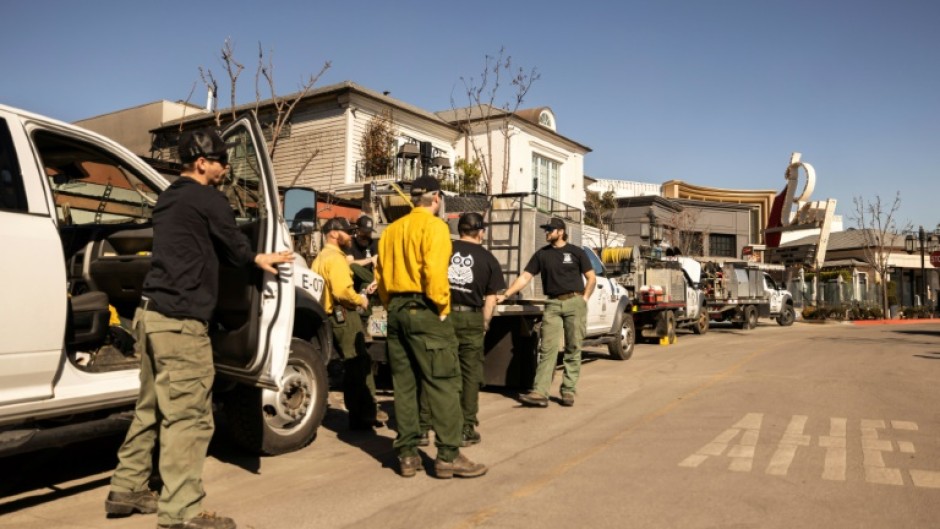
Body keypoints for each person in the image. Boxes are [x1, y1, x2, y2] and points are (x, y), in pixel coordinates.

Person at [105, 128, 294, 529]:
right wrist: (259, 257)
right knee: (188, 417)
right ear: (202, 162)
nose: (227, 167)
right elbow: (233, 246)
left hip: (151, 316)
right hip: (181, 322)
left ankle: (127, 488)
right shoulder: (209, 199)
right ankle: (181, 512)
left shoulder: (169, 197)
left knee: (150, 408)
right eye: (222, 160)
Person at [375, 176, 487, 479]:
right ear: (436, 198)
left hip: (396, 310)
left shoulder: (391, 231)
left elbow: (381, 274)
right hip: (425, 308)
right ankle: (448, 456)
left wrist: (390, 305)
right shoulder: (436, 227)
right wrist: (442, 309)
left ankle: (408, 456)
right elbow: (435, 272)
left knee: (405, 385)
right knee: (444, 382)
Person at [497, 217, 595, 408]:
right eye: (546, 230)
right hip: (552, 304)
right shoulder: (542, 255)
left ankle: (568, 390)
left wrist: (583, 299)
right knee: (547, 350)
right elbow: (525, 277)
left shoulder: (576, 252)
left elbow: (591, 278)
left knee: (573, 348)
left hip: (575, 302)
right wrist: (506, 294)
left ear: (561, 232)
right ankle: (540, 392)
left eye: (550, 230)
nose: (547, 233)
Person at [312, 217, 382, 430]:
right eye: (346, 231)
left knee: (353, 363)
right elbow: (342, 291)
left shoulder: (321, 258)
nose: (350, 235)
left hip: (331, 315)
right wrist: (360, 299)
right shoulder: (335, 259)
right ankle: (363, 415)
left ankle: (360, 414)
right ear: (333, 233)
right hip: (343, 313)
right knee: (357, 363)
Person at [446, 212, 505, 446]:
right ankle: (466, 428)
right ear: (481, 231)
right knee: (470, 375)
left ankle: (424, 424)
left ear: (460, 229)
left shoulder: (443, 249)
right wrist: (484, 323)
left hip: (443, 315)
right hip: (471, 318)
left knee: (437, 370)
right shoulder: (489, 259)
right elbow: (490, 299)